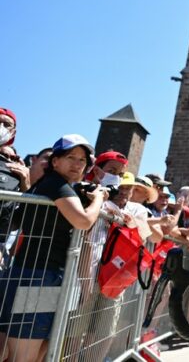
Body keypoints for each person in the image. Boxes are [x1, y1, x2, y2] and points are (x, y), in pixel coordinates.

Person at [0, 134, 108, 362]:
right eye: (71, 157)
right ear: (55, 161)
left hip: (40, 274)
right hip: (38, 277)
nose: (77, 164)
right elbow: (83, 221)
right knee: (25, 356)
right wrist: (99, 199)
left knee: (39, 350)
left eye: (82, 160)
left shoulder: (50, 185)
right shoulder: (56, 185)